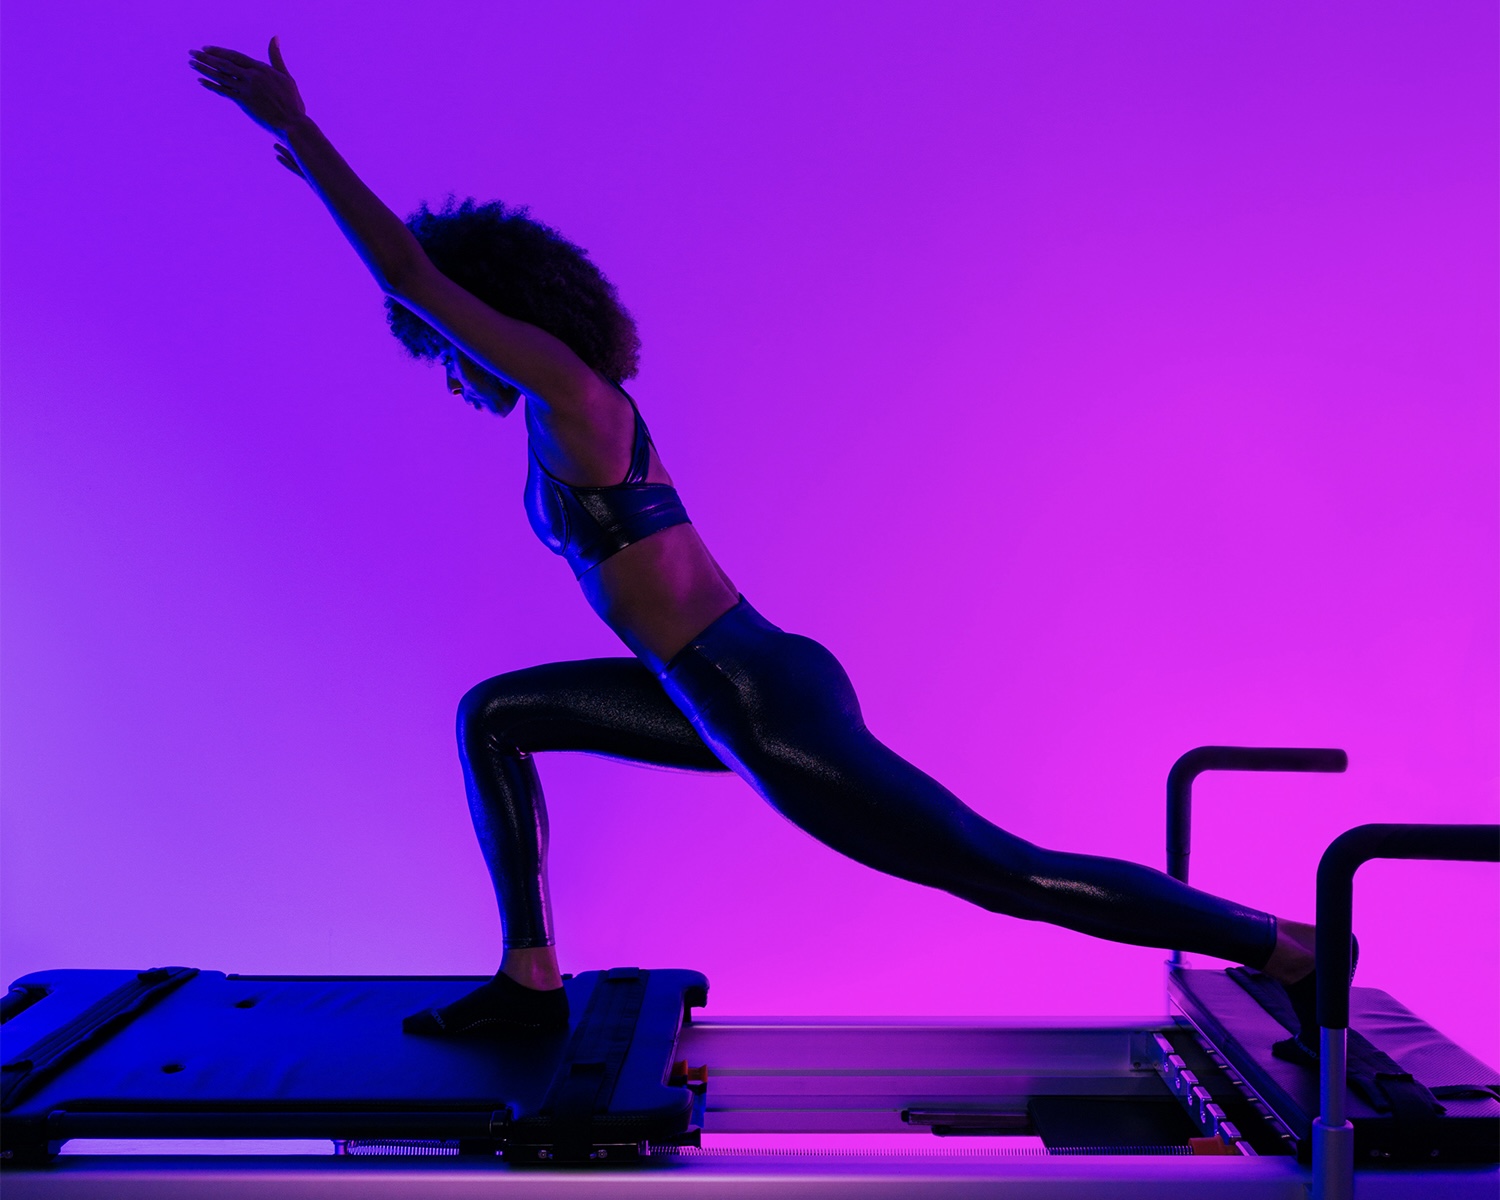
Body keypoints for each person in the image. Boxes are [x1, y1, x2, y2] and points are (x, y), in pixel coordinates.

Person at [189, 39, 1339, 1056]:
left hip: (757, 697)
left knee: (999, 871)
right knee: (495, 715)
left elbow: (412, 275)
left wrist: (308, 140)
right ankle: (529, 981)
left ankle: (1289, 947)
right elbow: (421, 282)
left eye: (447, 348)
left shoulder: (575, 401)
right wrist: (325, 185)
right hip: (705, 685)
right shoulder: (561, 416)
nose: (448, 370)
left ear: (504, 317)